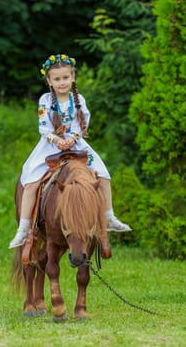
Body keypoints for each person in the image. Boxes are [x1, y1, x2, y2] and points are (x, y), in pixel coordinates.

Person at [9, 53, 131, 249]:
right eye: (57, 79)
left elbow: (83, 122)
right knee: (30, 180)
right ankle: (24, 228)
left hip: (77, 144)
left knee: (104, 175)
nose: (62, 82)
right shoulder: (45, 100)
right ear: (49, 81)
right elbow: (43, 126)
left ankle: (109, 217)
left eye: (65, 78)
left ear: (72, 77)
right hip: (50, 145)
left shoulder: (78, 99)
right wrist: (56, 139)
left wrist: (72, 139)